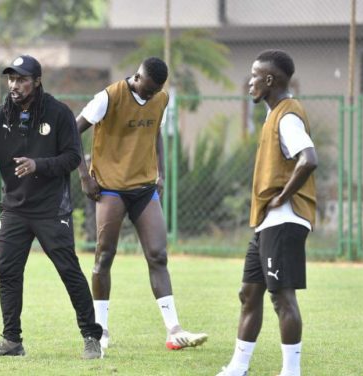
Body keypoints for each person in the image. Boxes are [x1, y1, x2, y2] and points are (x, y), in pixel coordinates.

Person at [0, 55, 103, 359]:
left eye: (22, 79)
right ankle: (12, 341)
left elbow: (72, 158)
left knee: (69, 271)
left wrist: (37, 164)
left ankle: (92, 337)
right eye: (11, 79)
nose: (15, 85)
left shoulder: (59, 113)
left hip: (51, 209)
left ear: (37, 81)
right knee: (7, 272)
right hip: (14, 209)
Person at [76, 57, 208, 350]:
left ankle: (174, 329)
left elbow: (156, 132)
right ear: (137, 77)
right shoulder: (108, 97)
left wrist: (160, 172)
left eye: (156, 91)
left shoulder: (161, 97)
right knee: (104, 256)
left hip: (144, 188)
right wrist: (85, 177)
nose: (150, 96)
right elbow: (72, 132)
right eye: (147, 89)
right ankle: (101, 330)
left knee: (158, 255)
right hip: (110, 188)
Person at [216, 50, 318, 376]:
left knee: (281, 298)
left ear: (270, 80)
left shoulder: (287, 116)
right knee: (249, 293)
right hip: (267, 222)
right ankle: (238, 367)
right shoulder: (272, 114)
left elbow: (309, 158)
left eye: (254, 76)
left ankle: (292, 371)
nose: (250, 82)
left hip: (285, 219)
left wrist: (283, 196)